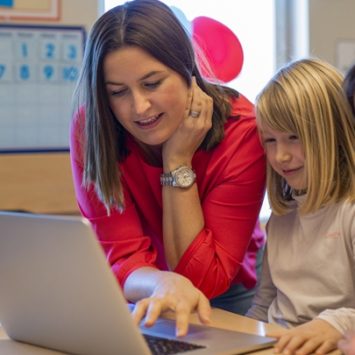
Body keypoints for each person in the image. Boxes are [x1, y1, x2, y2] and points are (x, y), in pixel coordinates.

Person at [70, 0, 266, 336]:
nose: (139, 107)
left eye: (152, 83)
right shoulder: (93, 128)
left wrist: (177, 160)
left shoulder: (242, 130)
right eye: (118, 92)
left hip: (228, 293)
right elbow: (122, 257)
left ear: (187, 69)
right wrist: (160, 282)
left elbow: (206, 279)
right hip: (148, 288)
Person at [246, 58, 355, 354]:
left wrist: (336, 323)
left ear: (332, 133)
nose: (280, 156)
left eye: (294, 137)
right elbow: (263, 304)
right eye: (270, 140)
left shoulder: (349, 212)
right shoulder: (282, 217)